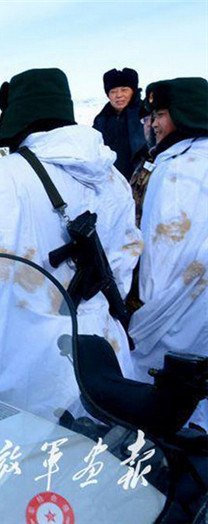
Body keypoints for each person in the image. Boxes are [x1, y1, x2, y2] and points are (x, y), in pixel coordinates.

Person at [0, 68, 140, 420]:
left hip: (30, 361)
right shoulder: (113, 176)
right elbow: (124, 263)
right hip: (105, 355)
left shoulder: (8, 174)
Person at [129, 77, 208, 431]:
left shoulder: (175, 169)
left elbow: (161, 254)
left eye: (160, 114)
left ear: (184, 114)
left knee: (168, 407)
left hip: (174, 312)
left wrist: (146, 309)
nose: (154, 124)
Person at [93, 67, 146, 180]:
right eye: (113, 91)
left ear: (133, 91)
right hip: (111, 180)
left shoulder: (146, 113)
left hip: (142, 179)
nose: (119, 95)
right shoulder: (101, 119)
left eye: (124, 90)